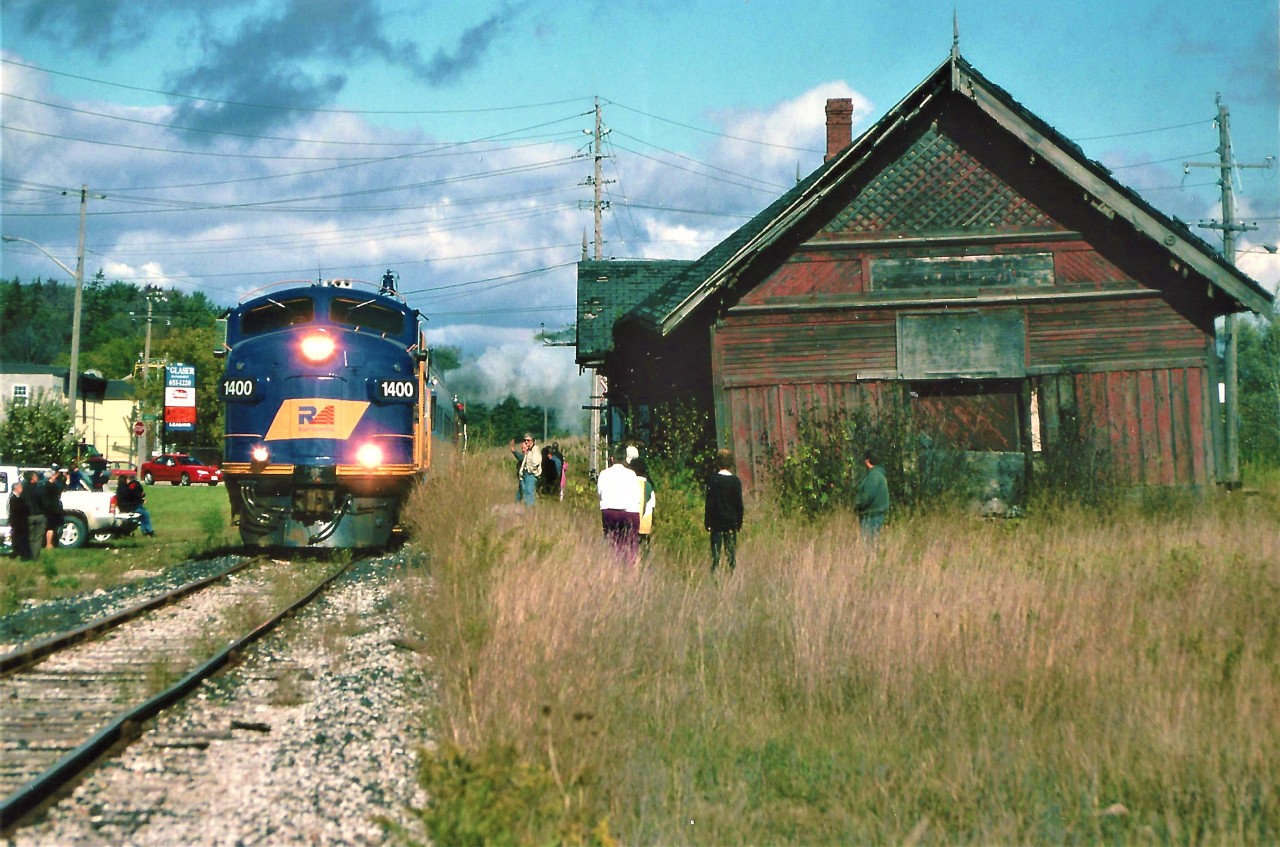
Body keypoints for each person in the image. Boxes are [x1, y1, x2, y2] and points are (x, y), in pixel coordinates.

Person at [597, 445, 641, 558]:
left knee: (611, 540)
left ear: (612, 459)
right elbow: (635, 494)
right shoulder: (631, 474)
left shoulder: (604, 473)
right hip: (625, 511)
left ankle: (612, 562)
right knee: (626, 540)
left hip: (608, 511)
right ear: (625, 459)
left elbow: (599, 493)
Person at [704, 449, 744, 572]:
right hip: (731, 523)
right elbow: (739, 505)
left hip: (716, 523)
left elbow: (709, 504)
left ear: (718, 463)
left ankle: (715, 577)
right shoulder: (735, 481)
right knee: (731, 556)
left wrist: (707, 522)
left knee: (716, 556)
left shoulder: (713, 480)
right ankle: (731, 576)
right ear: (731, 463)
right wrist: (739, 522)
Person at [854, 451, 890, 544]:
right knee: (875, 546)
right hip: (877, 516)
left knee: (868, 548)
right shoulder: (880, 475)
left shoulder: (873, 476)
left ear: (867, 461)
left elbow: (867, 496)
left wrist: (857, 506)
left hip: (870, 517)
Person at [509, 433, 542, 507]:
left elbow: (536, 463)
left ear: (532, 441)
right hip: (526, 475)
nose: (526, 442)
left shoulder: (535, 450)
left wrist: (529, 470)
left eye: (528, 440)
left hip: (531, 475)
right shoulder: (529, 451)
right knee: (526, 493)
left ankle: (530, 511)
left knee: (529, 493)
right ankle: (526, 509)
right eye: (525, 440)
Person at [630, 455, 656, 548]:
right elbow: (652, 508)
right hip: (645, 526)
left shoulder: (630, 483)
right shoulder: (649, 486)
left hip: (631, 524)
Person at [40, 467, 67, 549]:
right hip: (53, 509)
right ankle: (49, 544)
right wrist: (66, 480)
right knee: (51, 527)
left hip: (49, 509)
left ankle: (50, 543)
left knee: (50, 527)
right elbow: (60, 490)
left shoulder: (45, 485)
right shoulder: (52, 486)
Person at [21, 471, 45, 561]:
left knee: (30, 537)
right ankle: (35, 557)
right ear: (32, 479)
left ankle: (29, 555)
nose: (37, 478)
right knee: (38, 538)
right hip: (39, 515)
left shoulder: (24, 490)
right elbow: (43, 501)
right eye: (35, 476)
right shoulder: (38, 489)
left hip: (28, 516)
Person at [8, 475, 30, 560]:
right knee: (21, 538)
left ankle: (16, 552)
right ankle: (21, 554)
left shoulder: (14, 498)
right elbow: (19, 510)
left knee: (17, 538)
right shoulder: (14, 499)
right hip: (19, 522)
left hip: (17, 522)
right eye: (21, 488)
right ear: (17, 488)